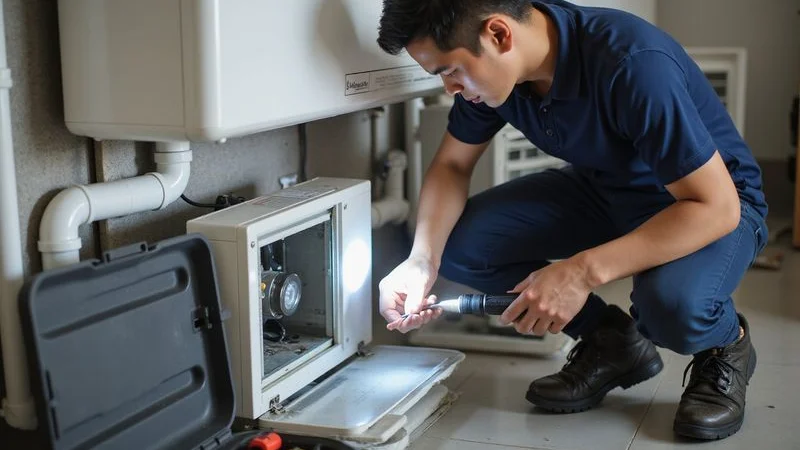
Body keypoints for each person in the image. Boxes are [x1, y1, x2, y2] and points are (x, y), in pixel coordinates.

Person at [374, 0, 768, 441]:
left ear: (499, 35)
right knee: (461, 245)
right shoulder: (499, 73)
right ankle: (611, 340)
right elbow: (451, 166)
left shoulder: (631, 64)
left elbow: (716, 207)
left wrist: (579, 272)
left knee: (671, 307)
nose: (449, 88)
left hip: (709, 202)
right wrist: (422, 260)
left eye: (449, 71)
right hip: (606, 191)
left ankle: (725, 345)